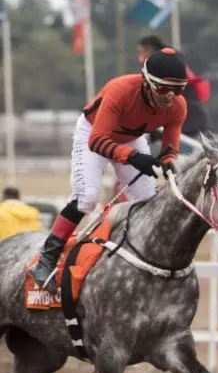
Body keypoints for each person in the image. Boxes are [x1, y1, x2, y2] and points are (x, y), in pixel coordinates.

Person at [27, 48, 189, 292]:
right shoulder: (120, 90)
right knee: (87, 198)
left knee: (148, 201)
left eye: (177, 90)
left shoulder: (178, 106)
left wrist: (168, 161)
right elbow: (98, 141)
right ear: (147, 82)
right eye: (163, 88)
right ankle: (46, 258)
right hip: (93, 133)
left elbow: (170, 149)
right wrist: (132, 157)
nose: (170, 96)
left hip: (131, 137)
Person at [138, 35, 211, 138]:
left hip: (188, 123)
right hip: (185, 121)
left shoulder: (166, 64)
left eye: (143, 51)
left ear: (149, 49)